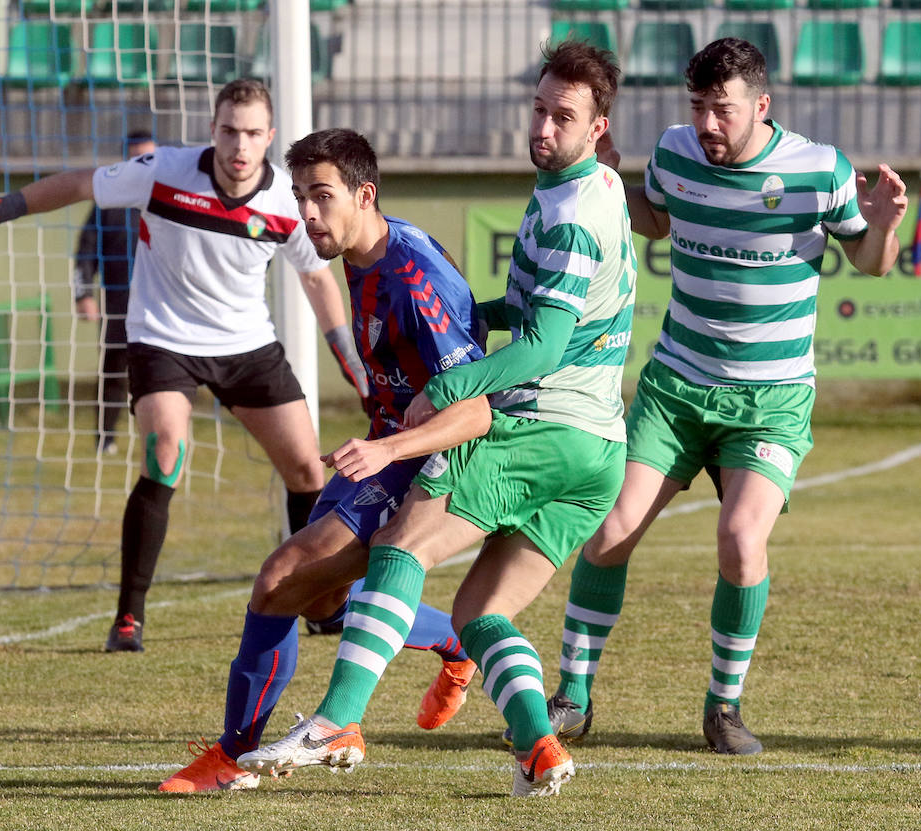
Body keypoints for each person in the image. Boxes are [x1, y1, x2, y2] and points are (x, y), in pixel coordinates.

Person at [236, 40, 638, 798]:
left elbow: (545, 346)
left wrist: (453, 385)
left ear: (598, 128)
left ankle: (336, 720)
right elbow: (538, 312)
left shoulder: (571, 213)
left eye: (566, 117)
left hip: (544, 429)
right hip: (599, 454)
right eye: (541, 109)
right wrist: (470, 311)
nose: (546, 128)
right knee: (482, 614)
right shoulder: (602, 189)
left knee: (397, 545)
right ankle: (540, 748)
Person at [532, 37, 909, 755]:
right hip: (676, 388)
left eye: (723, 110)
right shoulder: (675, 152)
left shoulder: (818, 169)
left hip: (770, 399)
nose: (708, 124)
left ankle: (723, 706)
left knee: (741, 540)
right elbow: (657, 217)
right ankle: (573, 693)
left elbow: (869, 261)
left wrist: (885, 227)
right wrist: (615, 182)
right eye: (698, 106)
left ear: (761, 106)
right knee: (608, 532)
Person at [0, 79, 371, 653]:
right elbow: (79, 184)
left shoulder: (284, 203)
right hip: (161, 338)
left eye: (252, 133)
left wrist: (344, 349)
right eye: (229, 131)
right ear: (212, 131)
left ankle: (317, 605)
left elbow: (317, 276)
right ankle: (129, 617)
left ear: (269, 137)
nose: (240, 146)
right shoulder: (162, 171)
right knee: (164, 452)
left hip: (247, 345)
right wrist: (1, 208)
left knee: (306, 469)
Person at [158, 127, 491, 794]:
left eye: (323, 197)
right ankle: (455, 642)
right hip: (391, 442)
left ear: (364, 196)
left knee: (282, 575)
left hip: (442, 456)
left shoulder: (413, 279)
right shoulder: (363, 249)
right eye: (301, 197)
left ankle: (233, 755)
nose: (307, 214)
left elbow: (478, 406)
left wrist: (393, 447)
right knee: (326, 596)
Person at [73, 130, 156, 455]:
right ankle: (105, 438)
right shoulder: (108, 202)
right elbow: (85, 251)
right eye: (135, 157)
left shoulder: (169, 198)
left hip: (163, 304)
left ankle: (163, 435)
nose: (141, 163)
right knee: (113, 370)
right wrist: (83, 295)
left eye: (147, 157)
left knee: (162, 371)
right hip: (119, 304)